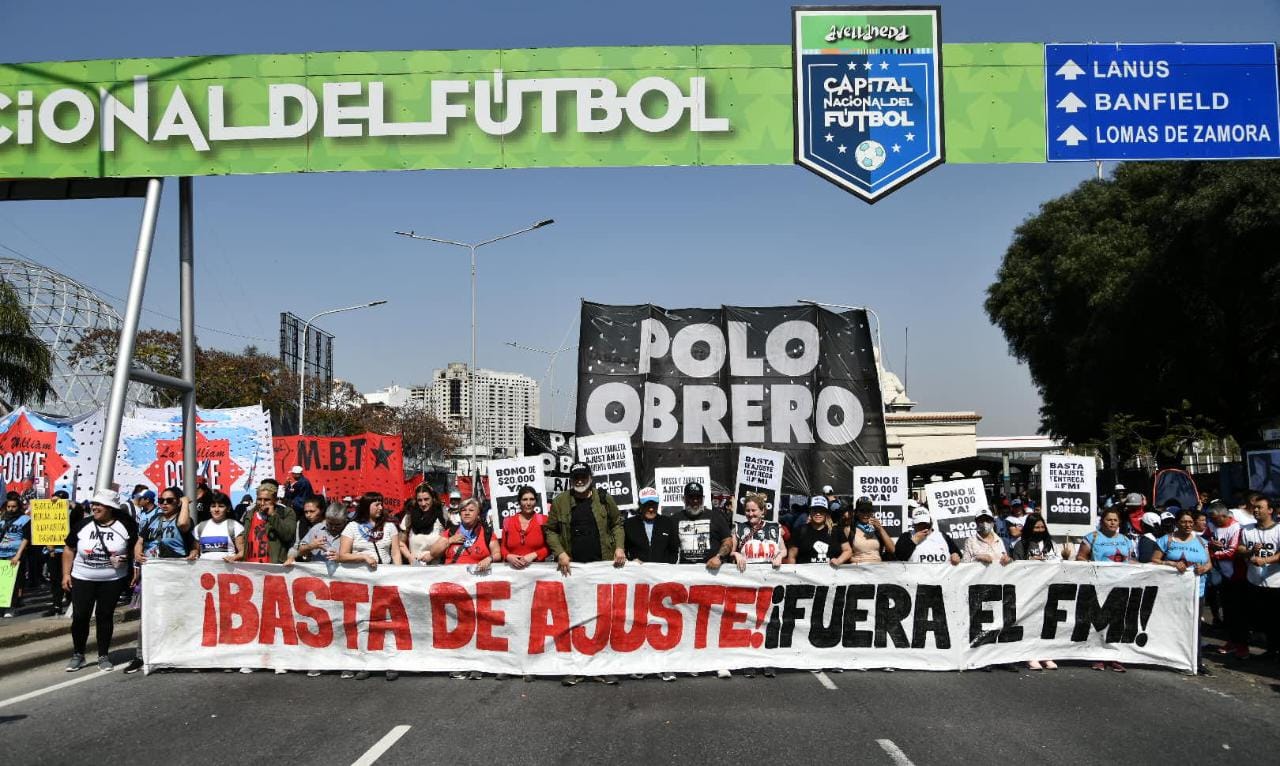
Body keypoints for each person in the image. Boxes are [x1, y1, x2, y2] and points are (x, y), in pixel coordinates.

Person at [544, 462, 625, 686]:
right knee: (575, 618)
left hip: (602, 569)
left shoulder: (603, 498)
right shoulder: (561, 501)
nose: (579, 480)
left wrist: (619, 547)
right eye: (576, 477)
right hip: (574, 572)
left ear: (590, 477)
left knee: (603, 618)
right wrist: (559, 552)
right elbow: (550, 530)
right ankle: (575, 667)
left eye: (583, 476)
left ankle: (602, 666)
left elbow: (618, 523)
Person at [62, 490, 138, 672]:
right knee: (80, 617)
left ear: (110, 508)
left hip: (112, 579)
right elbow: (69, 549)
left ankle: (103, 655)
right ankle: (78, 654)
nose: (94, 507)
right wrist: (66, 574)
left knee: (105, 616)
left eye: (99, 505)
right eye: (93, 504)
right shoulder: (83, 525)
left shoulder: (125, 526)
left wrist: (131, 564)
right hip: (83, 577)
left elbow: (136, 547)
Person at [1151, 507, 1212, 673]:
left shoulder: (1201, 541)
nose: (1187, 525)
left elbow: (1209, 564)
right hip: (1172, 592)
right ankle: (1170, 659)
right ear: (1177, 523)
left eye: (1191, 522)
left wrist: (1204, 569)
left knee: (1195, 627)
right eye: (1184, 522)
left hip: (1196, 592)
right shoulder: (1166, 540)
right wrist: (1170, 563)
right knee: (1173, 625)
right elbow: (1154, 560)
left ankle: (1197, 662)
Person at [1076, 507, 1135, 672]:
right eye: (1109, 520)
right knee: (1099, 621)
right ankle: (1097, 657)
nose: (1112, 523)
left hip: (1120, 585)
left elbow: (1130, 561)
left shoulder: (1125, 540)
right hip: (1099, 584)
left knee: (1117, 620)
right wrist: (1090, 566)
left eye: (1115, 520)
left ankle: (1114, 657)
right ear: (1102, 521)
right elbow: (1081, 557)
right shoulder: (1092, 537)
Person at [1011, 513, 1060, 670]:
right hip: (1029, 589)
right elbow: (1015, 567)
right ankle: (1030, 655)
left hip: (1048, 588)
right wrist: (1029, 562)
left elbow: (1059, 562)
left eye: (1042, 526)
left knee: (1047, 622)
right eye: (1036, 527)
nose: (1040, 530)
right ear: (1029, 528)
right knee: (1030, 622)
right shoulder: (1021, 544)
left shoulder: (1051, 544)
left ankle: (1045, 653)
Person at [1205, 500, 1249, 659]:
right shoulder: (1211, 526)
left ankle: (1243, 646)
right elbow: (1203, 540)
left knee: (1239, 613)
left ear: (1223, 515)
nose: (1211, 520)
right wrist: (1210, 544)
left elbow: (1232, 552)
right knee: (1228, 612)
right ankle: (1231, 641)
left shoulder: (1236, 527)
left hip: (1237, 576)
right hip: (1222, 575)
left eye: (1214, 517)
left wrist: (1211, 555)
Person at [1239, 494, 1280, 661]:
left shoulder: (1278, 529)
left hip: (1276, 583)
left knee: (1277, 619)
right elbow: (1240, 549)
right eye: (1254, 507)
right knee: (1262, 619)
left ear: (1270, 510)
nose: (1255, 510)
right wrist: (1250, 552)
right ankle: (1271, 650)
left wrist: (1265, 560)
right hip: (1254, 582)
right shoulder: (1248, 529)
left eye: (1259, 507)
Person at [241, 481, 298, 565]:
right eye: (259, 499)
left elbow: (288, 535)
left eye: (267, 500)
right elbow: (245, 538)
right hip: (251, 566)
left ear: (275, 500)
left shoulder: (286, 512)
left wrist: (272, 515)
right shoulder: (250, 513)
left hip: (273, 566)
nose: (262, 503)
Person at [624, 487, 680, 566]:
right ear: (640, 505)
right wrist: (631, 562)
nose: (651, 509)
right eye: (647, 505)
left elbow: (674, 550)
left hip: (663, 574)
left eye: (653, 505)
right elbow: (623, 549)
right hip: (637, 574)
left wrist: (667, 565)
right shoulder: (629, 524)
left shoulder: (667, 523)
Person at [831, 497, 894, 565]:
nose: (865, 514)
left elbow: (892, 550)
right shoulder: (850, 529)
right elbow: (844, 551)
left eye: (868, 511)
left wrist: (881, 529)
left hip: (877, 568)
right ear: (857, 512)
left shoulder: (877, 529)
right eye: (862, 511)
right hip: (858, 569)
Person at [500, 486, 550, 569]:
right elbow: (503, 547)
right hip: (513, 571)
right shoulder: (508, 521)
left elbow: (550, 547)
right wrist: (508, 556)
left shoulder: (544, 520)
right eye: (525, 499)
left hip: (537, 571)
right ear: (519, 502)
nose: (528, 503)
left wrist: (535, 555)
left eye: (532, 499)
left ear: (536, 501)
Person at [893, 506, 961, 565]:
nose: (924, 527)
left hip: (941, 578)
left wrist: (955, 556)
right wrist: (913, 541)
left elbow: (957, 554)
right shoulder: (906, 536)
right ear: (914, 525)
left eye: (926, 524)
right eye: (920, 524)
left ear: (931, 522)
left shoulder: (942, 536)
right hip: (916, 579)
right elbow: (898, 558)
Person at [400, 485, 448, 565]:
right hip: (415, 567)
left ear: (433, 498)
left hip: (437, 568)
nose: (423, 503)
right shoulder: (409, 516)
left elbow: (447, 541)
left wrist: (432, 555)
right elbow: (401, 543)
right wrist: (409, 557)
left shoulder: (442, 516)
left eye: (426, 499)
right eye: (420, 500)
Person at [1, 492, 31, 617]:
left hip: (14, 554)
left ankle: (11, 607)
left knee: (13, 582)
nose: (11, 509)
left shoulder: (24, 520)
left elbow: (26, 538)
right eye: (9, 507)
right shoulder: (2, 519)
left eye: (13, 507)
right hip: (1, 553)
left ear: (18, 507)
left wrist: (18, 555)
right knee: (2, 582)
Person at [194, 492, 245, 560]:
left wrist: (234, 557)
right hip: (204, 570)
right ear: (209, 508)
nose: (216, 510)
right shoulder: (200, 527)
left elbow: (243, 551)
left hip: (227, 570)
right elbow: (195, 550)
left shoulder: (235, 526)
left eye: (221, 506)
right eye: (213, 506)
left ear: (228, 508)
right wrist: (193, 553)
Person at [788, 496, 837, 565]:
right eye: (815, 510)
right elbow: (791, 557)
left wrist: (839, 560)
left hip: (831, 575)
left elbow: (847, 551)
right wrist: (791, 573)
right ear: (810, 512)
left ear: (826, 512)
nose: (818, 513)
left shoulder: (835, 531)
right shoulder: (799, 531)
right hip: (804, 575)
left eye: (821, 510)